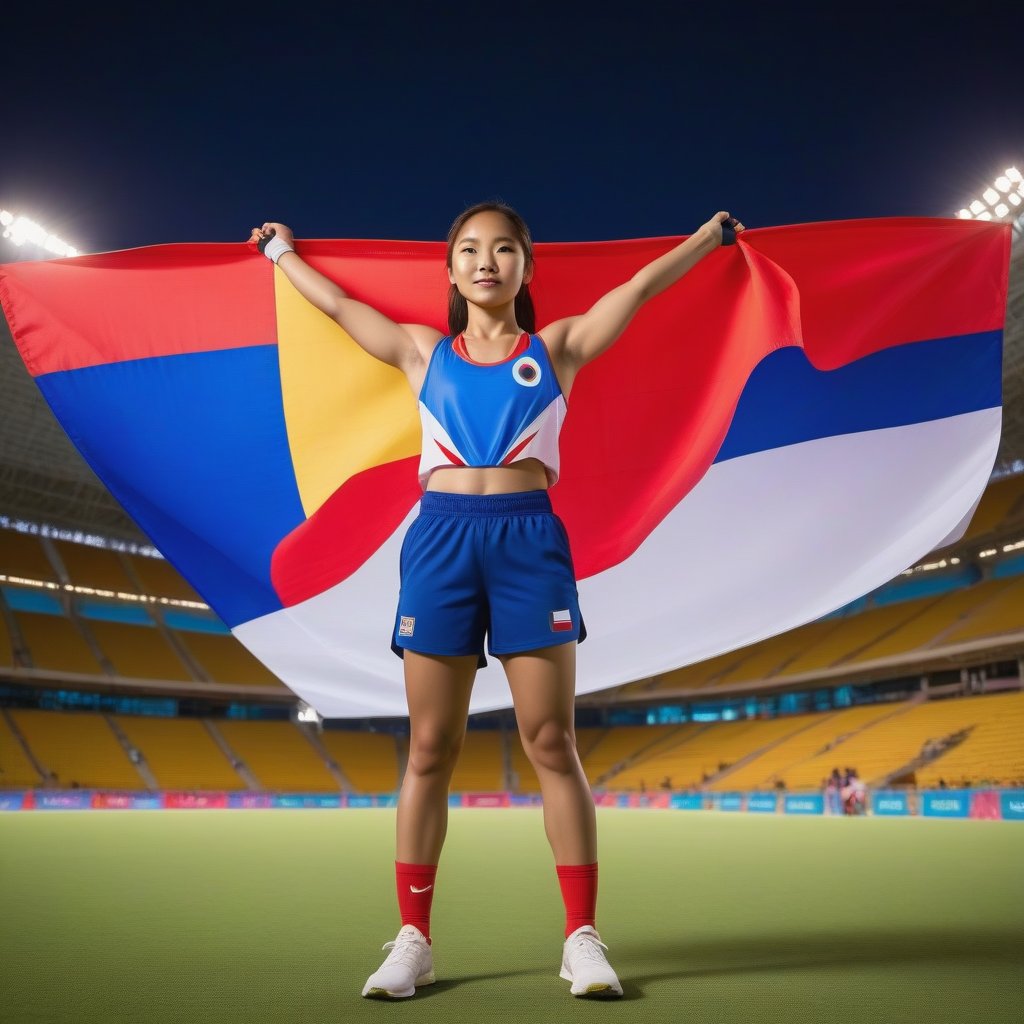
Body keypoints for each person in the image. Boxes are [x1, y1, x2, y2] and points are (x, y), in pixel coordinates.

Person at [249, 203, 744, 1000]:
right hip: (441, 543)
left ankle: (581, 936)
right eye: (470, 250)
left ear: (525, 268)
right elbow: (340, 307)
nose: (487, 261)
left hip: (529, 544)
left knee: (552, 740)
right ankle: (414, 938)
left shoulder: (558, 349)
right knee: (428, 749)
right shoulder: (421, 352)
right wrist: (281, 254)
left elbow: (643, 287)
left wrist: (707, 238)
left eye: (504, 248)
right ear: (449, 272)